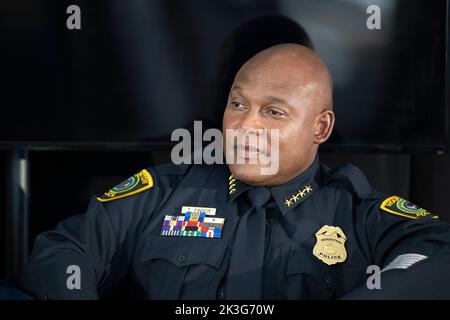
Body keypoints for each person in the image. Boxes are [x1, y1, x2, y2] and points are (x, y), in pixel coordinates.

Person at [20, 44, 450, 300]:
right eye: (238, 104)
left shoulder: (356, 212)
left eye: (274, 112)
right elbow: (63, 250)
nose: (244, 127)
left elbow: (440, 256)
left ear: (320, 127)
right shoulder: (164, 192)